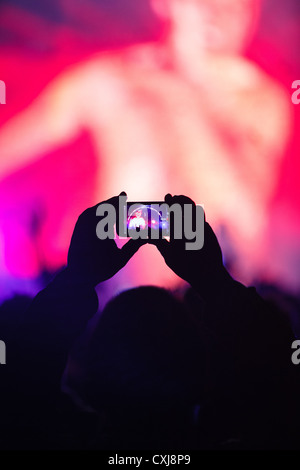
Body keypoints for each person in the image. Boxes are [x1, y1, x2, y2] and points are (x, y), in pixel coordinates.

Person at [0, 0, 291, 286]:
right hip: (124, 304)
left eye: (236, 7)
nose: (216, 16)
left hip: (218, 312)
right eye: (202, 2)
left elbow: (244, 215)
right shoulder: (111, 79)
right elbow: (12, 147)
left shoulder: (261, 103)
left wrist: (184, 93)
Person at [1, 192, 299, 450]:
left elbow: (21, 393)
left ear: (90, 368)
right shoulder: (264, 436)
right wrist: (214, 281)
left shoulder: (39, 439)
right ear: (201, 366)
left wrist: (77, 279)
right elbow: (281, 373)